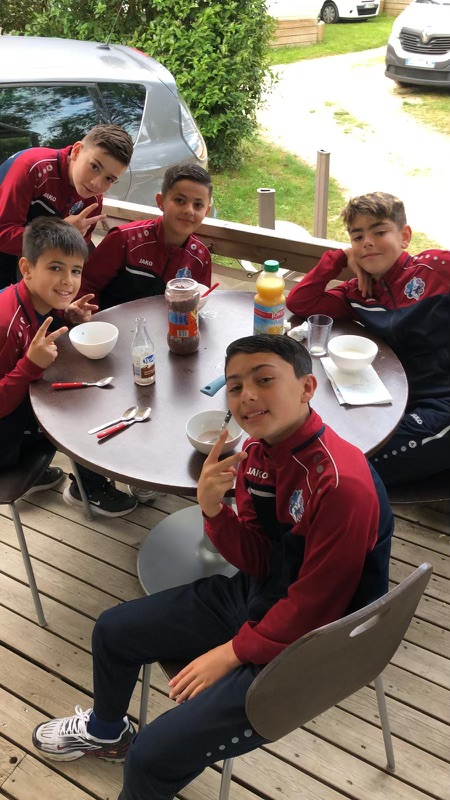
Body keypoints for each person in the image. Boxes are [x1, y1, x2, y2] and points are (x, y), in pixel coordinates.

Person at [32, 334, 393, 800]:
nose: (247, 396)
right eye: (235, 386)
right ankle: (106, 733)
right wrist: (213, 509)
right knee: (113, 630)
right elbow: (258, 559)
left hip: (317, 645)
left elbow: (319, 606)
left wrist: (233, 652)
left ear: (307, 387)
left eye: (265, 379)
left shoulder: (340, 483)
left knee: (152, 756)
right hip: (263, 595)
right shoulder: (256, 456)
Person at [287, 191, 450, 488]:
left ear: (404, 236)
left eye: (379, 232)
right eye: (358, 236)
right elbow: (301, 302)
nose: (368, 242)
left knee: (353, 469)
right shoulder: (359, 293)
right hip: (393, 399)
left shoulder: (435, 268)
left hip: (442, 404)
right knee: (320, 442)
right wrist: (340, 257)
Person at [0, 217, 136, 516]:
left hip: (19, 417)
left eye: (75, 270)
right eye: (55, 268)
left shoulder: (37, 301)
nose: (68, 281)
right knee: (83, 409)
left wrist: (67, 317)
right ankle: (89, 488)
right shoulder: (5, 323)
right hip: (5, 440)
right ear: (26, 268)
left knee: (92, 388)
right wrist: (28, 366)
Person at [0, 124, 134, 289]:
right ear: (77, 151)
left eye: (109, 179)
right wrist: (60, 234)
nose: (96, 183)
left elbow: (75, 254)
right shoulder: (32, 168)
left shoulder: (93, 198)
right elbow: (2, 233)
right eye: (94, 167)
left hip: (30, 258)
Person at [79, 163, 212, 310]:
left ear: (206, 211)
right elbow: (86, 285)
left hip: (169, 325)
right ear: (160, 202)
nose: (189, 210)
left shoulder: (201, 257)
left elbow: (199, 304)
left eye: (198, 205)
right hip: (110, 323)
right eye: (179, 200)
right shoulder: (125, 239)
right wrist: (86, 314)